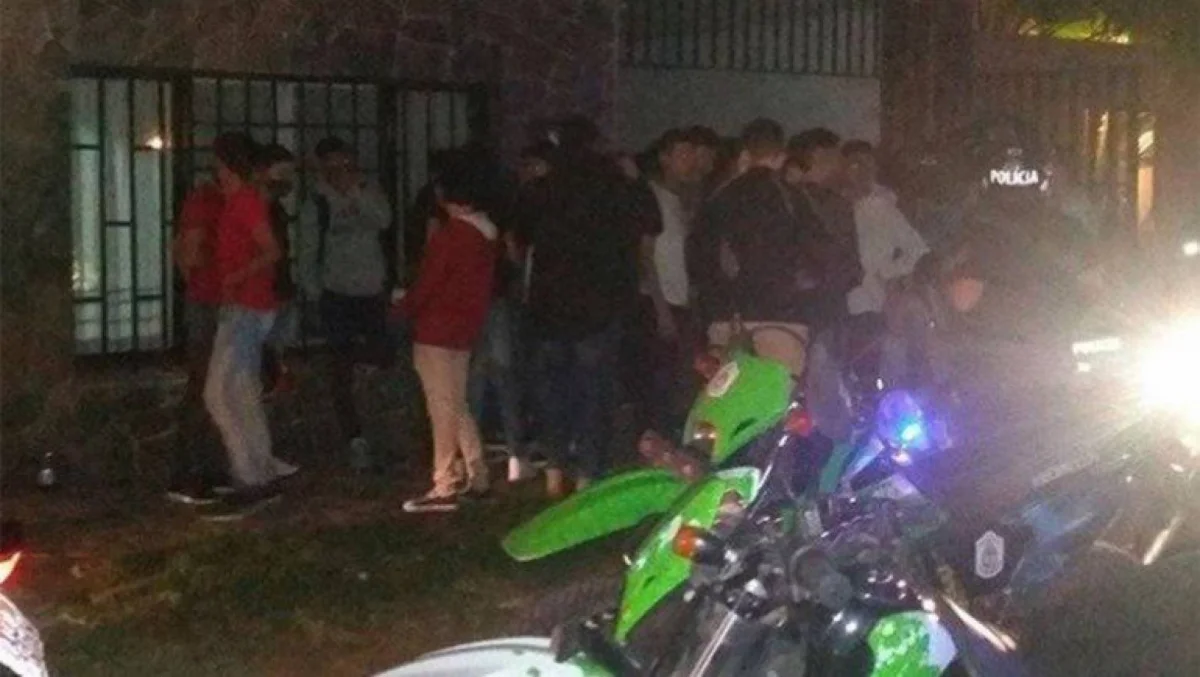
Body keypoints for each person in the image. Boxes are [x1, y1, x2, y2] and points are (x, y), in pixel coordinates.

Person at [518, 116, 661, 497]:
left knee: (552, 390)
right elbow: (651, 222)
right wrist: (636, 180)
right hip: (600, 306)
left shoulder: (545, 187)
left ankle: (554, 467)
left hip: (550, 307)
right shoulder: (614, 184)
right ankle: (588, 470)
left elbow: (519, 231)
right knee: (593, 390)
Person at [398, 161, 500, 513]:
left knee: (442, 406)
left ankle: (445, 482)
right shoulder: (485, 234)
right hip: (463, 329)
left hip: (437, 329)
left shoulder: (451, 236)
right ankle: (477, 473)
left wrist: (402, 308)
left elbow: (429, 282)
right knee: (456, 403)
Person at [688, 118, 824, 377]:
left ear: (745, 154)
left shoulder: (719, 199)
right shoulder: (794, 199)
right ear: (781, 156)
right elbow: (819, 253)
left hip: (728, 321)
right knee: (777, 396)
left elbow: (698, 260)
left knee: (728, 397)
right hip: (783, 321)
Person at [203, 132, 294, 518]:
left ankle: (249, 475)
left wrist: (236, 277)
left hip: (246, 307)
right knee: (243, 393)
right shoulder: (241, 200)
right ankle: (260, 472)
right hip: (247, 306)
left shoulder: (245, 201)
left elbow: (272, 251)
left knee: (217, 394)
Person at [298, 137, 395, 471]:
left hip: (370, 292)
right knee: (340, 369)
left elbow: (384, 220)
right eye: (333, 166)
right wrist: (316, 295)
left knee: (378, 361)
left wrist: (356, 193)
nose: (340, 171)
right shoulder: (316, 203)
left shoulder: (368, 192)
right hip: (337, 295)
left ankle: (379, 430)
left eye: (346, 165)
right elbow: (307, 252)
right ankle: (354, 437)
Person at [167, 135, 241, 506]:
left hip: (224, 302)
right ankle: (186, 472)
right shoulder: (205, 200)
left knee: (220, 388)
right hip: (207, 302)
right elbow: (187, 253)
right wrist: (202, 286)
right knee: (202, 385)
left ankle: (210, 466)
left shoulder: (232, 200)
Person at [633, 128, 700, 437]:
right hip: (658, 301)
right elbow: (645, 256)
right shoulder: (652, 197)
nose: (691, 162)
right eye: (683, 154)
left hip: (680, 299)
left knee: (678, 378)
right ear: (665, 158)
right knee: (658, 379)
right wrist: (660, 309)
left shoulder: (680, 200)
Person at [842, 140, 929, 321]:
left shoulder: (881, 205)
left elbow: (918, 249)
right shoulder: (832, 206)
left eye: (868, 163)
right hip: (839, 298)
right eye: (855, 164)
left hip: (876, 301)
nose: (863, 170)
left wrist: (885, 273)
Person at [255, 144, 299, 397]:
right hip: (263, 293)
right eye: (281, 172)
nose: (287, 179)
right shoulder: (256, 210)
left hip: (279, 290)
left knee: (274, 351)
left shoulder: (276, 209)